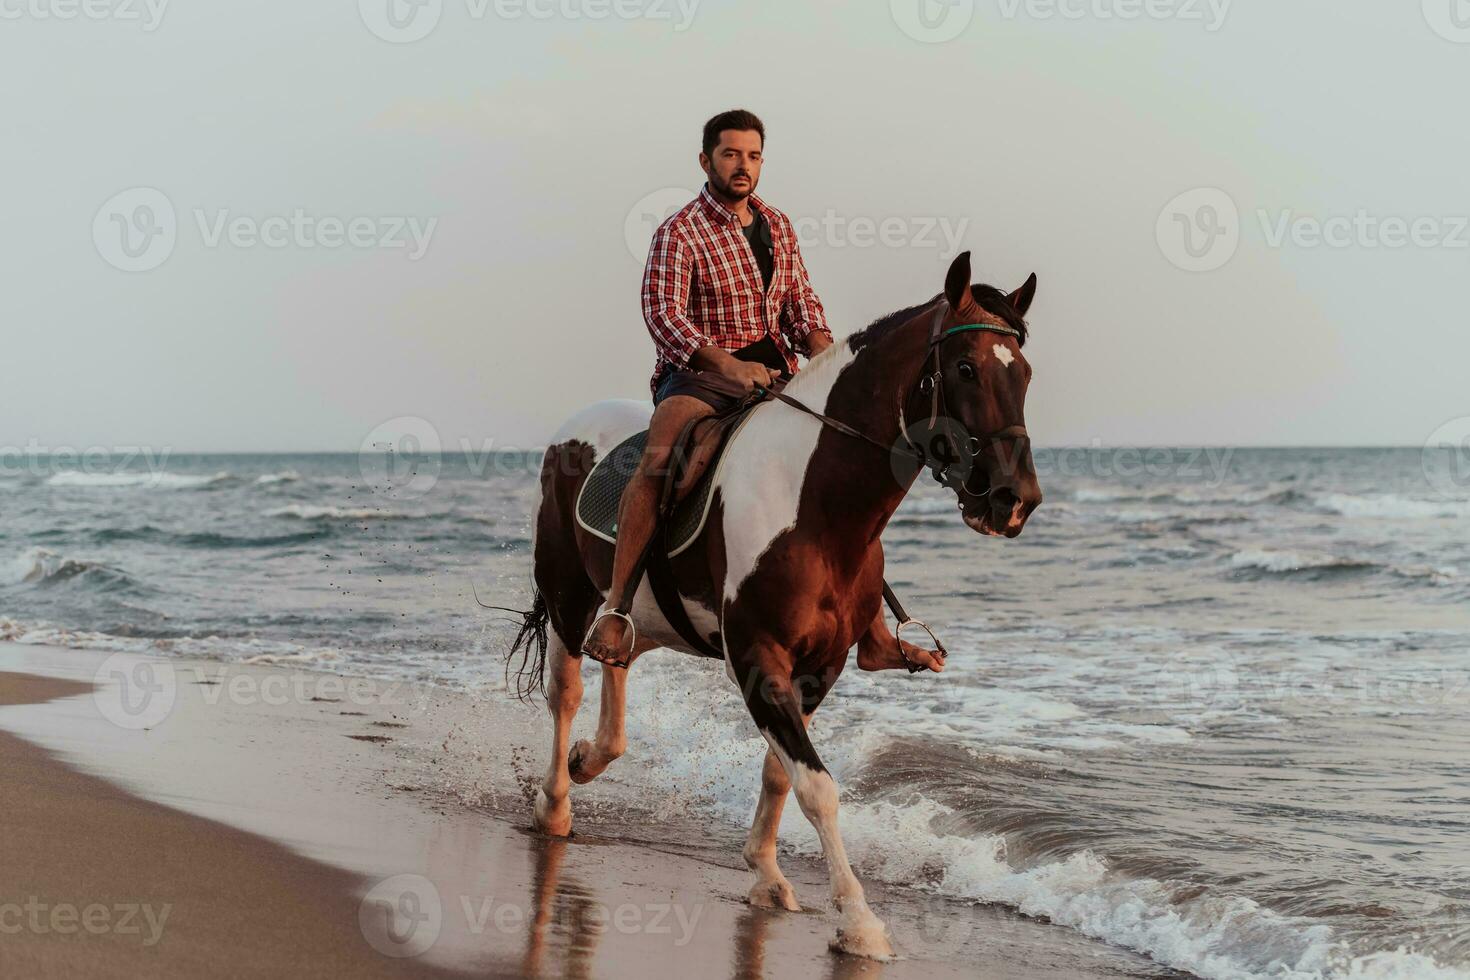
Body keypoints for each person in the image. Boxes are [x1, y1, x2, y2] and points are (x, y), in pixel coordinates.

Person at [581, 109, 834, 666]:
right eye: (730, 154)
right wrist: (726, 365)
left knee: (842, 454)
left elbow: (800, 303)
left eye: (752, 155)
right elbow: (663, 313)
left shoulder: (779, 225)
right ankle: (619, 608)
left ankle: (871, 619)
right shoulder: (680, 231)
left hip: (776, 371)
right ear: (706, 160)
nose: (742, 166)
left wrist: (823, 349)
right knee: (660, 459)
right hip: (698, 375)